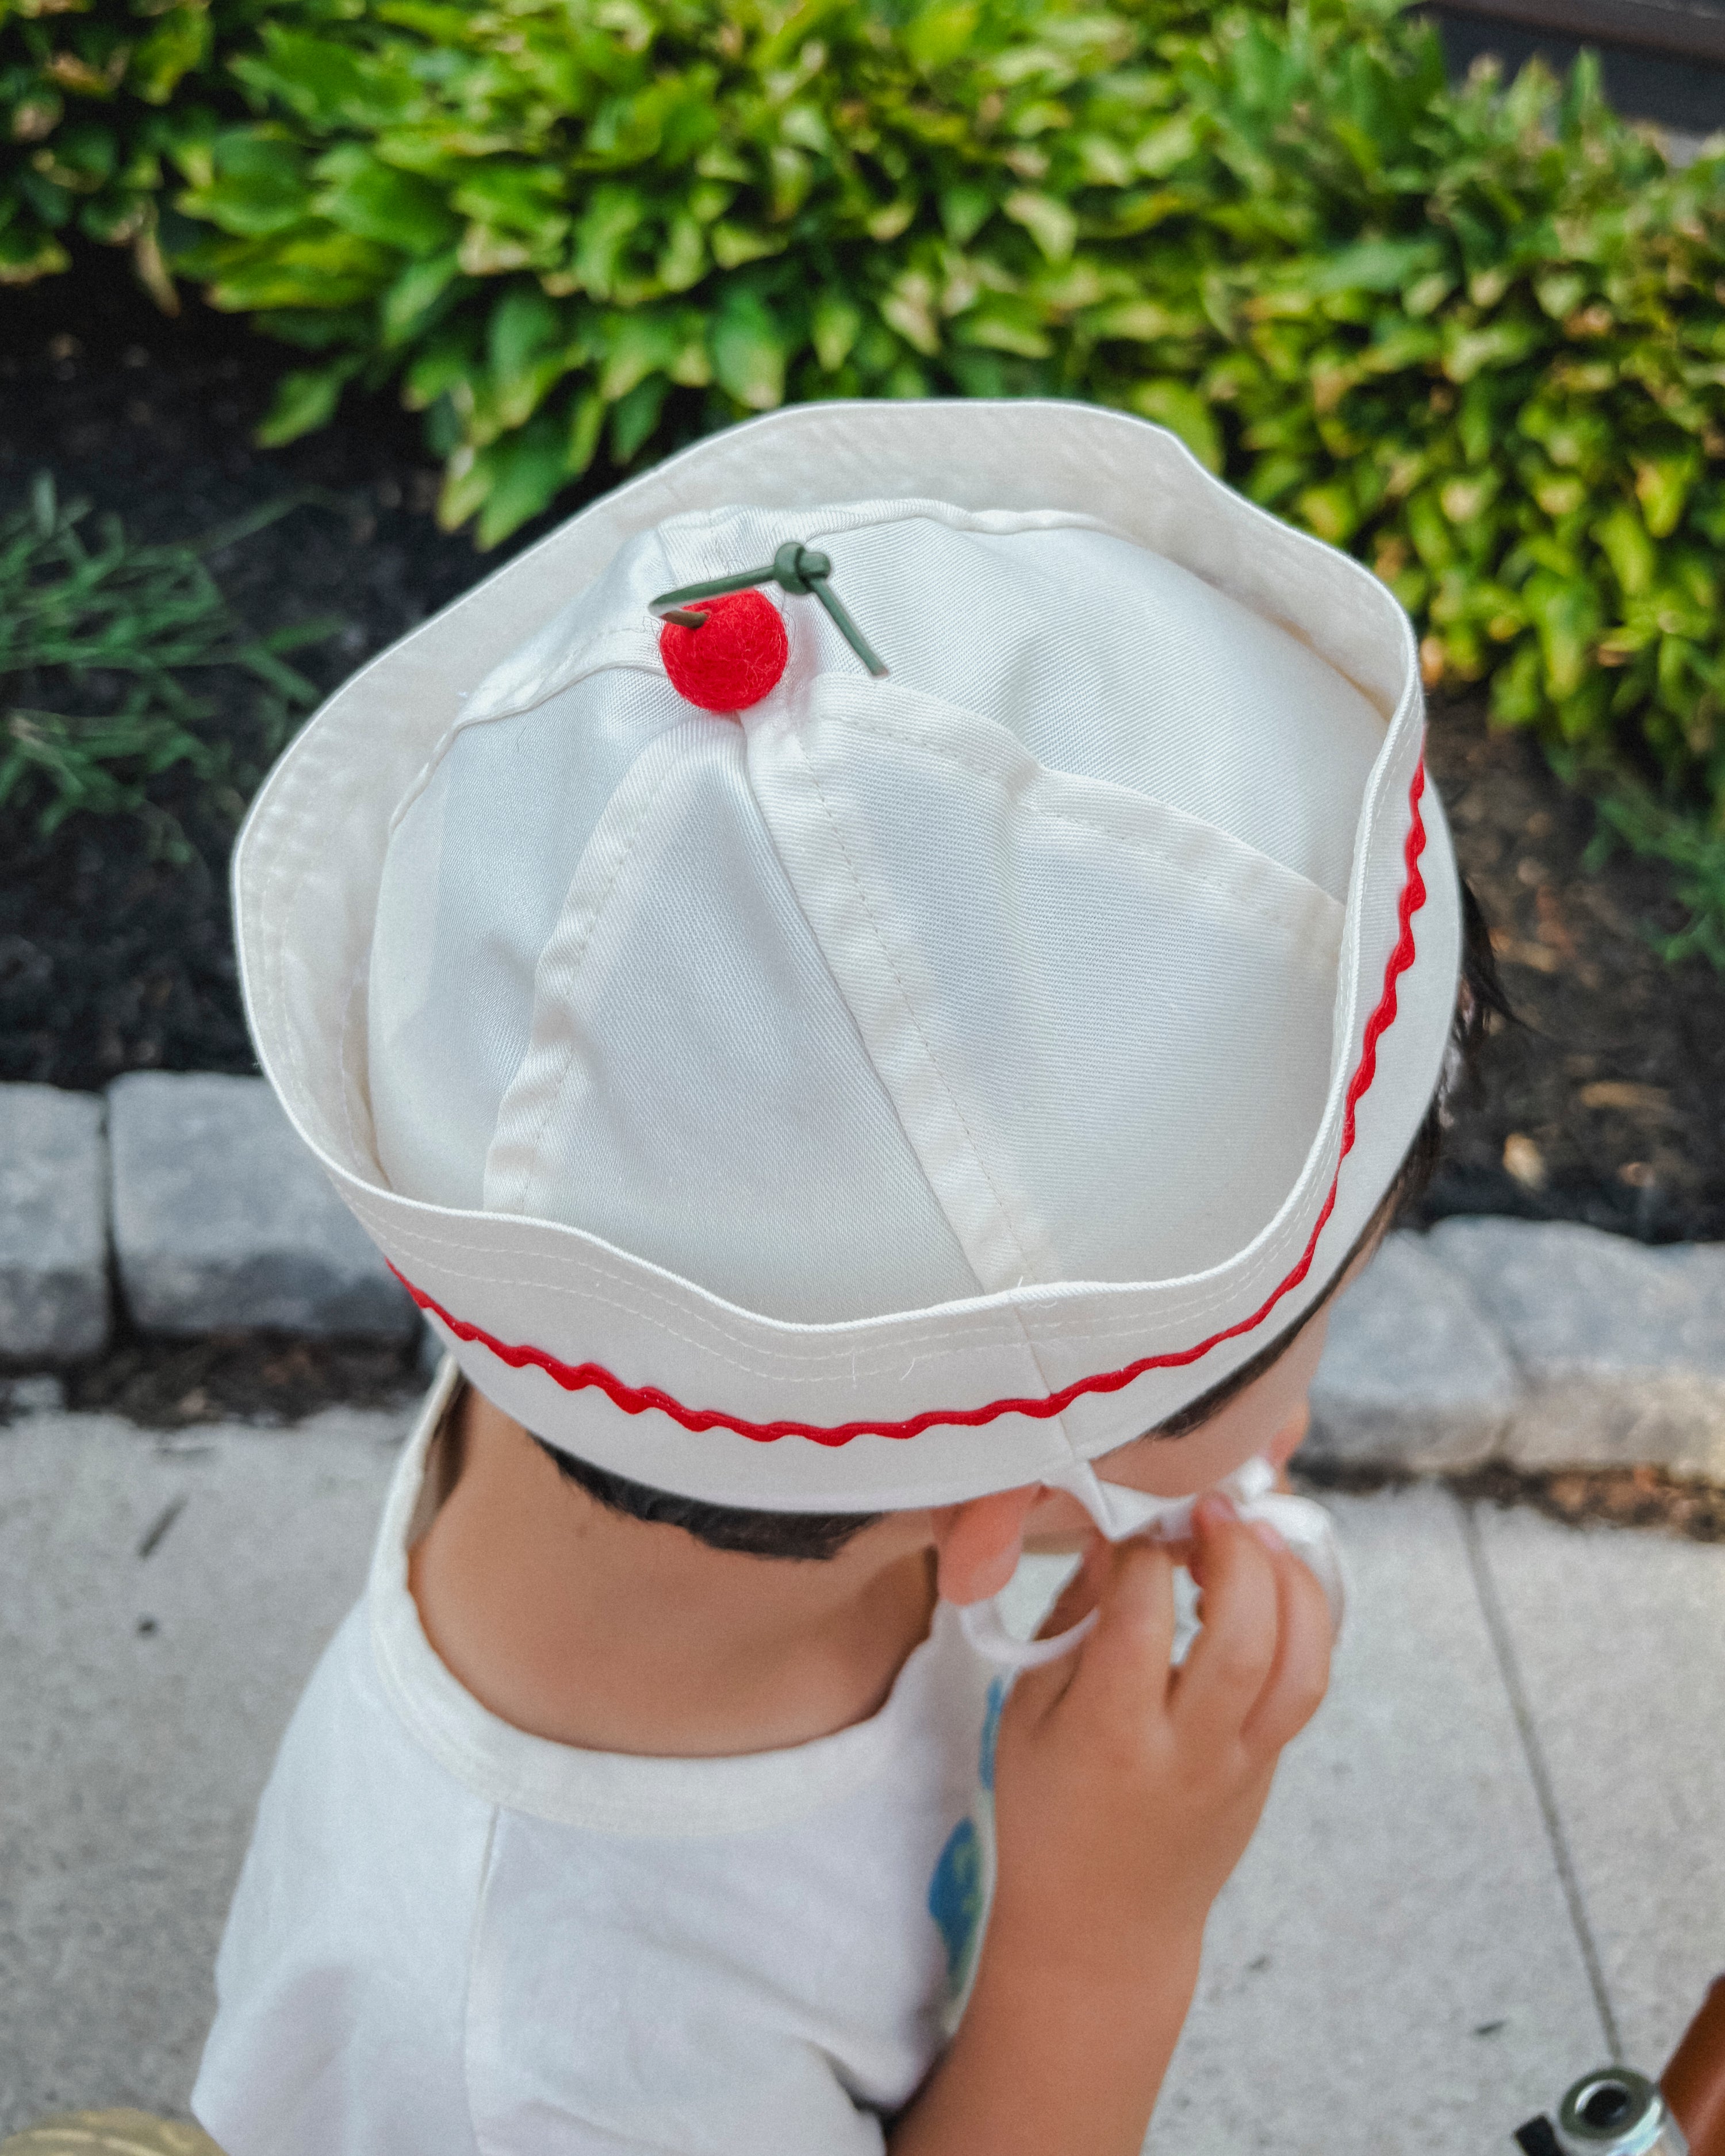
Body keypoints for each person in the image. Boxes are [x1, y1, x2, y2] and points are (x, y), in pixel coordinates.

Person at [194, 400, 1489, 2155]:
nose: (1305, 1410)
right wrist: (1104, 1944)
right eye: (1294, 1349)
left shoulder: (606, 1344)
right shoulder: (532, 2073)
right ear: (982, 1521)